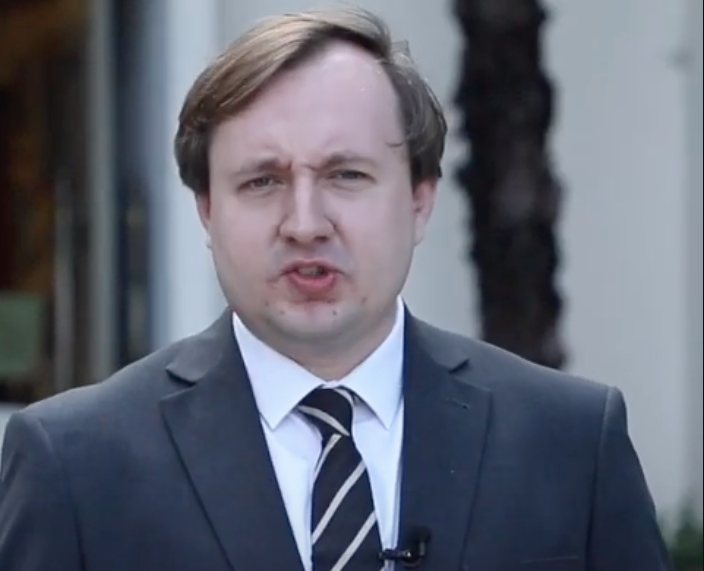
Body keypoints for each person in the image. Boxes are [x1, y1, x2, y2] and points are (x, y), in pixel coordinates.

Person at [0, 6, 673, 571]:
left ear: (420, 200)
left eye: (346, 175)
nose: (305, 223)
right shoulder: (73, 464)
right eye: (262, 180)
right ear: (206, 210)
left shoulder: (572, 443)